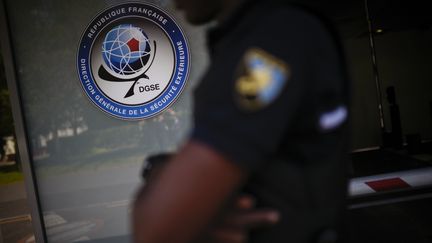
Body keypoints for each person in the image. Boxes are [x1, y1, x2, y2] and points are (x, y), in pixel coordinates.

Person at [133, 0, 350, 242]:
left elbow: (155, 230)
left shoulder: (277, 35)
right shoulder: (267, 31)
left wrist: (176, 195)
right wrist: (198, 199)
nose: (172, 2)